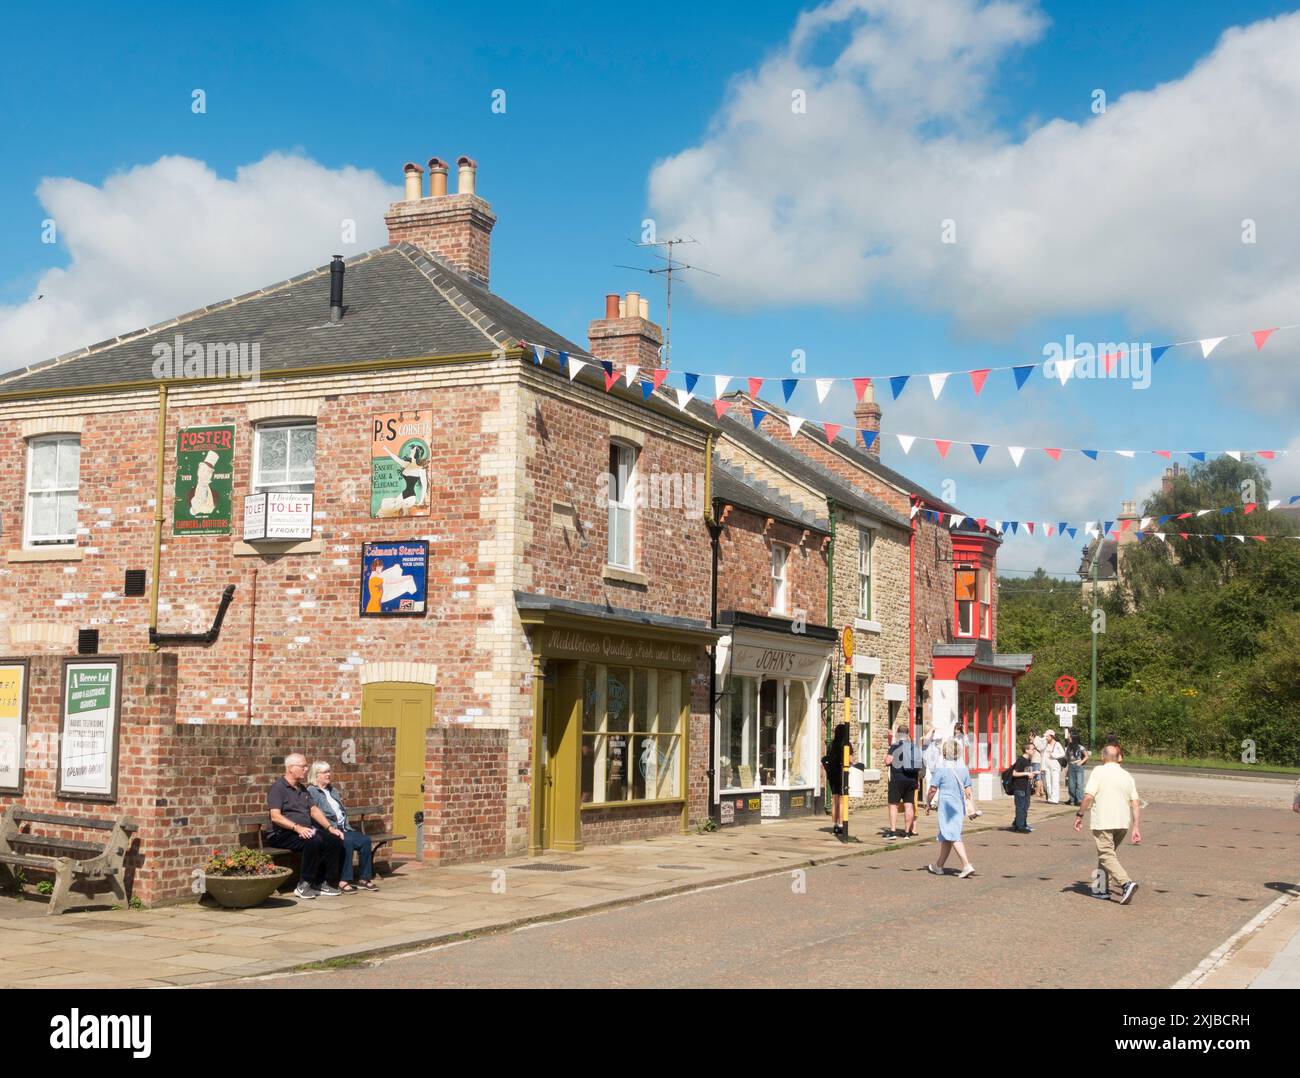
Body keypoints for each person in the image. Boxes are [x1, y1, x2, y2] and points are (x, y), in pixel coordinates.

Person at [264, 753, 345, 899]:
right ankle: (304, 885)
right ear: (290, 768)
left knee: (333, 839)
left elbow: (314, 810)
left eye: (306, 766)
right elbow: (275, 816)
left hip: (304, 831)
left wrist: (330, 828)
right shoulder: (278, 788)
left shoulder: (302, 789)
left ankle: (321, 883)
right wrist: (297, 828)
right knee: (314, 840)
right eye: (303, 766)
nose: (306, 769)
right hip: (282, 833)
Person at [1074, 744, 1141, 904]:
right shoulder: (1127, 775)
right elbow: (1136, 802)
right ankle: (1100, 889)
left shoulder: (1098, 771)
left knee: (1106, 854)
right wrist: (1136, 826)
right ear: (1119, 758)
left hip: (1103, 821)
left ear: (1103, 757)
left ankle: (1126, 883)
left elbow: (1089, 796)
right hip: (1122, 823)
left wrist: (1080, 814)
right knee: (1107, 855)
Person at [307, 761, 378, 892]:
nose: (329, 774)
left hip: (344, 827)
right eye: (325, 772)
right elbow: (314, 813)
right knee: (348, 842)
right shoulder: (312, 791)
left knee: (365, 840)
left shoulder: (333, 790)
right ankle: (344, 880)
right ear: (316, 775)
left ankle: (364, 878)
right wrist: (331, 828)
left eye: (329, 771)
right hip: (329, 829)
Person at [924, 740, 978, 878]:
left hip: (947, 806)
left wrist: (928, 803)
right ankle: (939, 866)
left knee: (953, 835)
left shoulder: (941, 769)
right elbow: (968, 789)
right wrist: (971, 806)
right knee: (946, 835)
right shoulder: (963, 768)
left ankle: (966, 865)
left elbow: (932, 789)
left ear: (943, 752)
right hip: (959, 805)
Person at [885, 726, 922, 839]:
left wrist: (887, 757)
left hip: (897, 779)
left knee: (893, 805)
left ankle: (892, 832)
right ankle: (906, 833)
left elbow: (887, 761)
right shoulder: (913, 746)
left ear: (898, 733)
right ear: (907, 734)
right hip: (911, 780)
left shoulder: (895, 746)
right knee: (909, 805)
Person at [820, 722, 854, 836]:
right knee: (842, 800)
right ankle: (840, 824)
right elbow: (850, 760)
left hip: (832, 774)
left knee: (834, 800)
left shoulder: (832, 745)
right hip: (842, 774)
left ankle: (835, 825)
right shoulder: (846, 744)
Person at [1008, 740, 1036, 832]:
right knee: (1020, 806)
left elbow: (1027, 772)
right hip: (1019, 787)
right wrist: (1027, 774)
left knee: (1025, 806)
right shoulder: (1021, 760)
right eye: (1032, 749)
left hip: (1026, 786)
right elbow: (1014, 773)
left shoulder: (1028, 760)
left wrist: (1034, 773)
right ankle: (1020, 827)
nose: (1034, 751)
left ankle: (1020, 823)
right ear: (1026, 750)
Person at [1065, 734, 1090, 805]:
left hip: (1078, 766)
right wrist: (1067, 767)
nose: (1068, 738)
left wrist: (1081, 762)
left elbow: (1086, 756)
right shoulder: (1069, 747)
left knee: (1079, 783)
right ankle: (1072, 799)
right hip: (1071, 766)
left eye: (1070, 737)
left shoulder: (1081, 747)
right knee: (1071, 784)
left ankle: (1080, 800)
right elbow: (1067, 757)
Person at [1042, 729, 1066, 804]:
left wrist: (1054, 755)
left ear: (1052, 736)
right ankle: (1050, 798)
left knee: (1055, 782)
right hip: (1047, 766)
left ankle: (1055, 799)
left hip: (1055, 766)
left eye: (1047, 736)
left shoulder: (1057, 744)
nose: (1046, 738)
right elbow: (1043, 756)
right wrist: (1043, 766)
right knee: (1048, 782)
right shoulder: (1046, 744)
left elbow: (1062, 754)